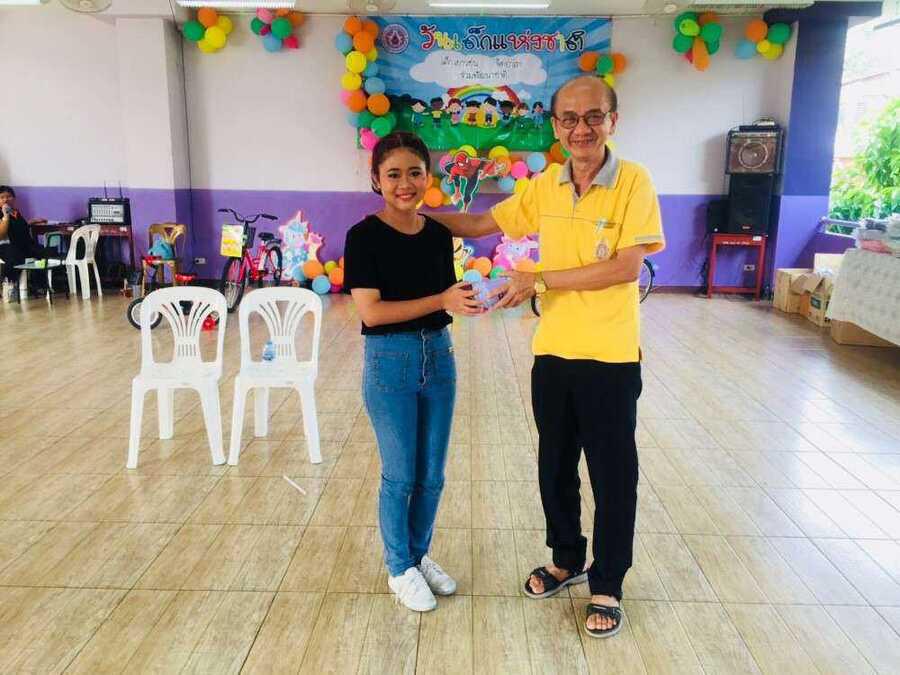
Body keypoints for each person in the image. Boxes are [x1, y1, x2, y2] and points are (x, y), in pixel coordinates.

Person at [434, 75, 665, 638]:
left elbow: (625, 267)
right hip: (553, 353)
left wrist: (538, 279)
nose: (581, 128)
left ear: (613, 120)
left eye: (593, 116)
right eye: (569, 118)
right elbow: (479, 223)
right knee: (555, 465)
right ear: (556, 126)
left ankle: (607, 581)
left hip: (610, 356)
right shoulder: (546, 186)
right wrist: (405, 213)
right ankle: (566, 559)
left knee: (613, 474)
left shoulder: (634, 182)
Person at [343, 132, 483, 612]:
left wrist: (467, 300)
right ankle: (399, 568)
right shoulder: (363, 236)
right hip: (390, 362)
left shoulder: (439, 234)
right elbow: (372, 312)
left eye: (415, 173)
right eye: (393, 174)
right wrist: (442, 299)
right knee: (400, 474)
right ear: (376, 180)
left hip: (439, 356)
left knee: (432, 475)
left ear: (429, 177)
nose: (405, 183)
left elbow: (445, 300)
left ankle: (419, 557)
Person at [0, 185, 49, 298]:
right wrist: (5, 216)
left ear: (14, 199)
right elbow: (1, 235)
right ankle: (10, 284)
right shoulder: (3, 213)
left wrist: (31, 222)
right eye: (2, 197)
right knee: (15, 257)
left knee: (43, 252)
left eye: (9, 196)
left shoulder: (15, 212)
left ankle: (39, 285)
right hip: (5, 246)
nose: (6, 199)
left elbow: (19, 228)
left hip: (23, 244)